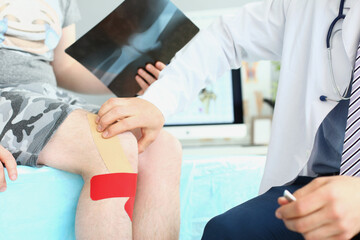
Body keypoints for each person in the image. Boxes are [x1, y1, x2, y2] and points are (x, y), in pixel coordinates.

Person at [95, 0, 360, 239]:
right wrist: (155, 102)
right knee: (226, 231)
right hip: (310, 185)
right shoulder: (310, 5)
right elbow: (227, 37)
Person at [0, 0, 181, 239]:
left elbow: (63, 68)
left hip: (45, 94)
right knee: (110, 147)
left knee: (161, 147)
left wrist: (134, 76)